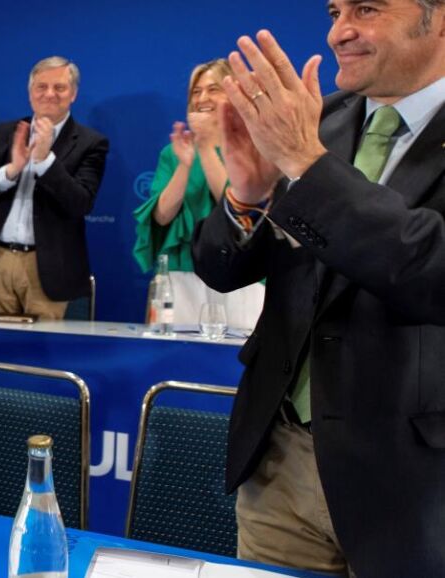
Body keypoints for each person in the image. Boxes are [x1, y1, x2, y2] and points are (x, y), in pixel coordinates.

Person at [191, 1, 445, 574]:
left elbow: (430, 269)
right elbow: (221, 270)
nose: (339, 32)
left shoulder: (303, 141)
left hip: (416, 486)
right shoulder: (316, 122)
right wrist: (246, 197)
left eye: (368, 8)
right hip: (280, 465)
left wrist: (308, 165)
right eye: (334, 11)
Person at [0, 56, 108, 320]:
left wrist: (45, 162)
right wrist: (12, 170)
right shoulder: (7, 132)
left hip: (48, 268)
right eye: (41, 87)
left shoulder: (90, 143)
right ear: (31, 92)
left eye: (59, 87)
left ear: (73, 94)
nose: (49, 94)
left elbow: (81, 203)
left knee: (42, 345)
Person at [133, 59, 263, 330]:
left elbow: (237, 208)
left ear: (234, 93)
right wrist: (184, 164)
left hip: (240, 276)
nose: (202, 98)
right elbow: (162, 216)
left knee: (238, 353)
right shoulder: (172, 152)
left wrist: (205, 148)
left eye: (213, 89)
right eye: (196, 91)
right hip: (182, 277)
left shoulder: (252, 146)